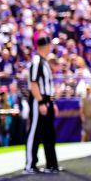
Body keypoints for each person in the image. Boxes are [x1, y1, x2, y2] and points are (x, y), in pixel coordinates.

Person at [25, 34, 59, 173]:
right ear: (45, 46)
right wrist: (40, 102)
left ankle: (51, 164)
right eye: (49, 45)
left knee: (48, 133)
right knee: (35, 132)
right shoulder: (37, 61)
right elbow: (33, 84)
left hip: (47, 100)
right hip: (39, 100)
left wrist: (52, 102)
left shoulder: (44, 62)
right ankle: (30, 164)